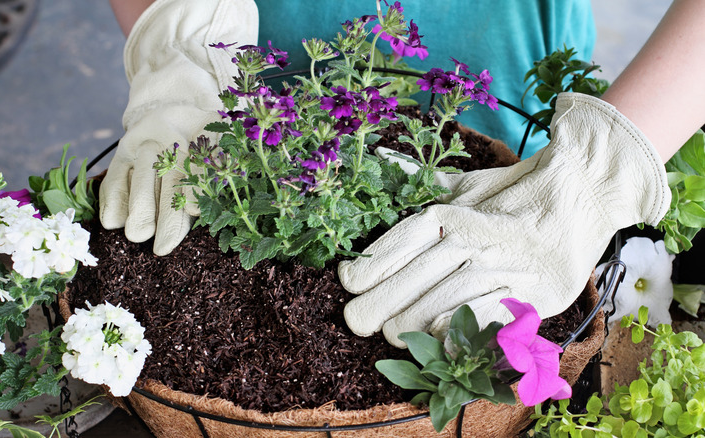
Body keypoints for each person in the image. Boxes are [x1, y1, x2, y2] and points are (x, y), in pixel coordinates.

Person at [102, 0, 705, 347]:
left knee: (516, 234)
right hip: (256, 77)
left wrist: (598, 171)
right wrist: (180, 43)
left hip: (511, 64)